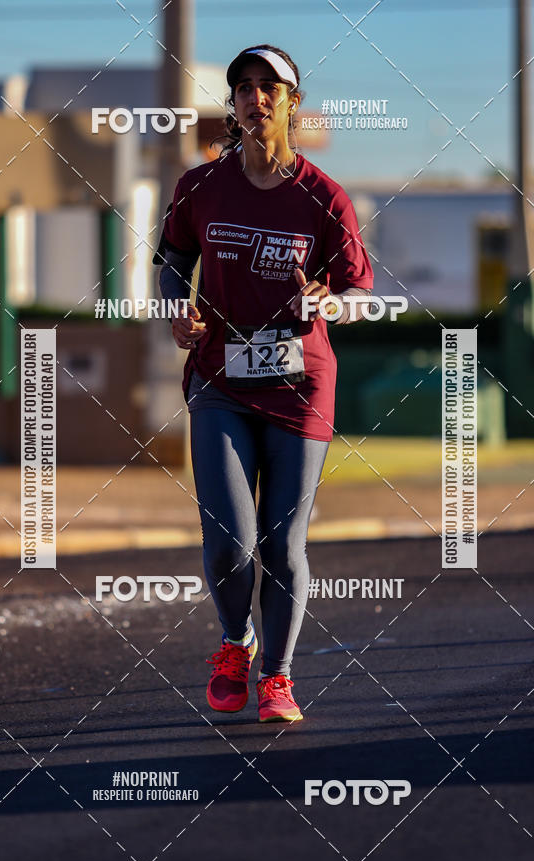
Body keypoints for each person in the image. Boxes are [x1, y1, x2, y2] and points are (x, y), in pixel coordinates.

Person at [156, 45, 373, 723]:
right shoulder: (200, 186)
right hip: (219, 378)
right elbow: (172, 260)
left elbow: (358, 290)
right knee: (228, 537)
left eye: (269, 87)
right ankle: (235, 642)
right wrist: (177, 309)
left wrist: (332, 303)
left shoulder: (325, 197)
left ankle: (277, 677)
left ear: (291, 102)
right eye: (244, 87)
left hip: (299, 384)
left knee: (282, 543)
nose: (256, 97)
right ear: (234, 102)